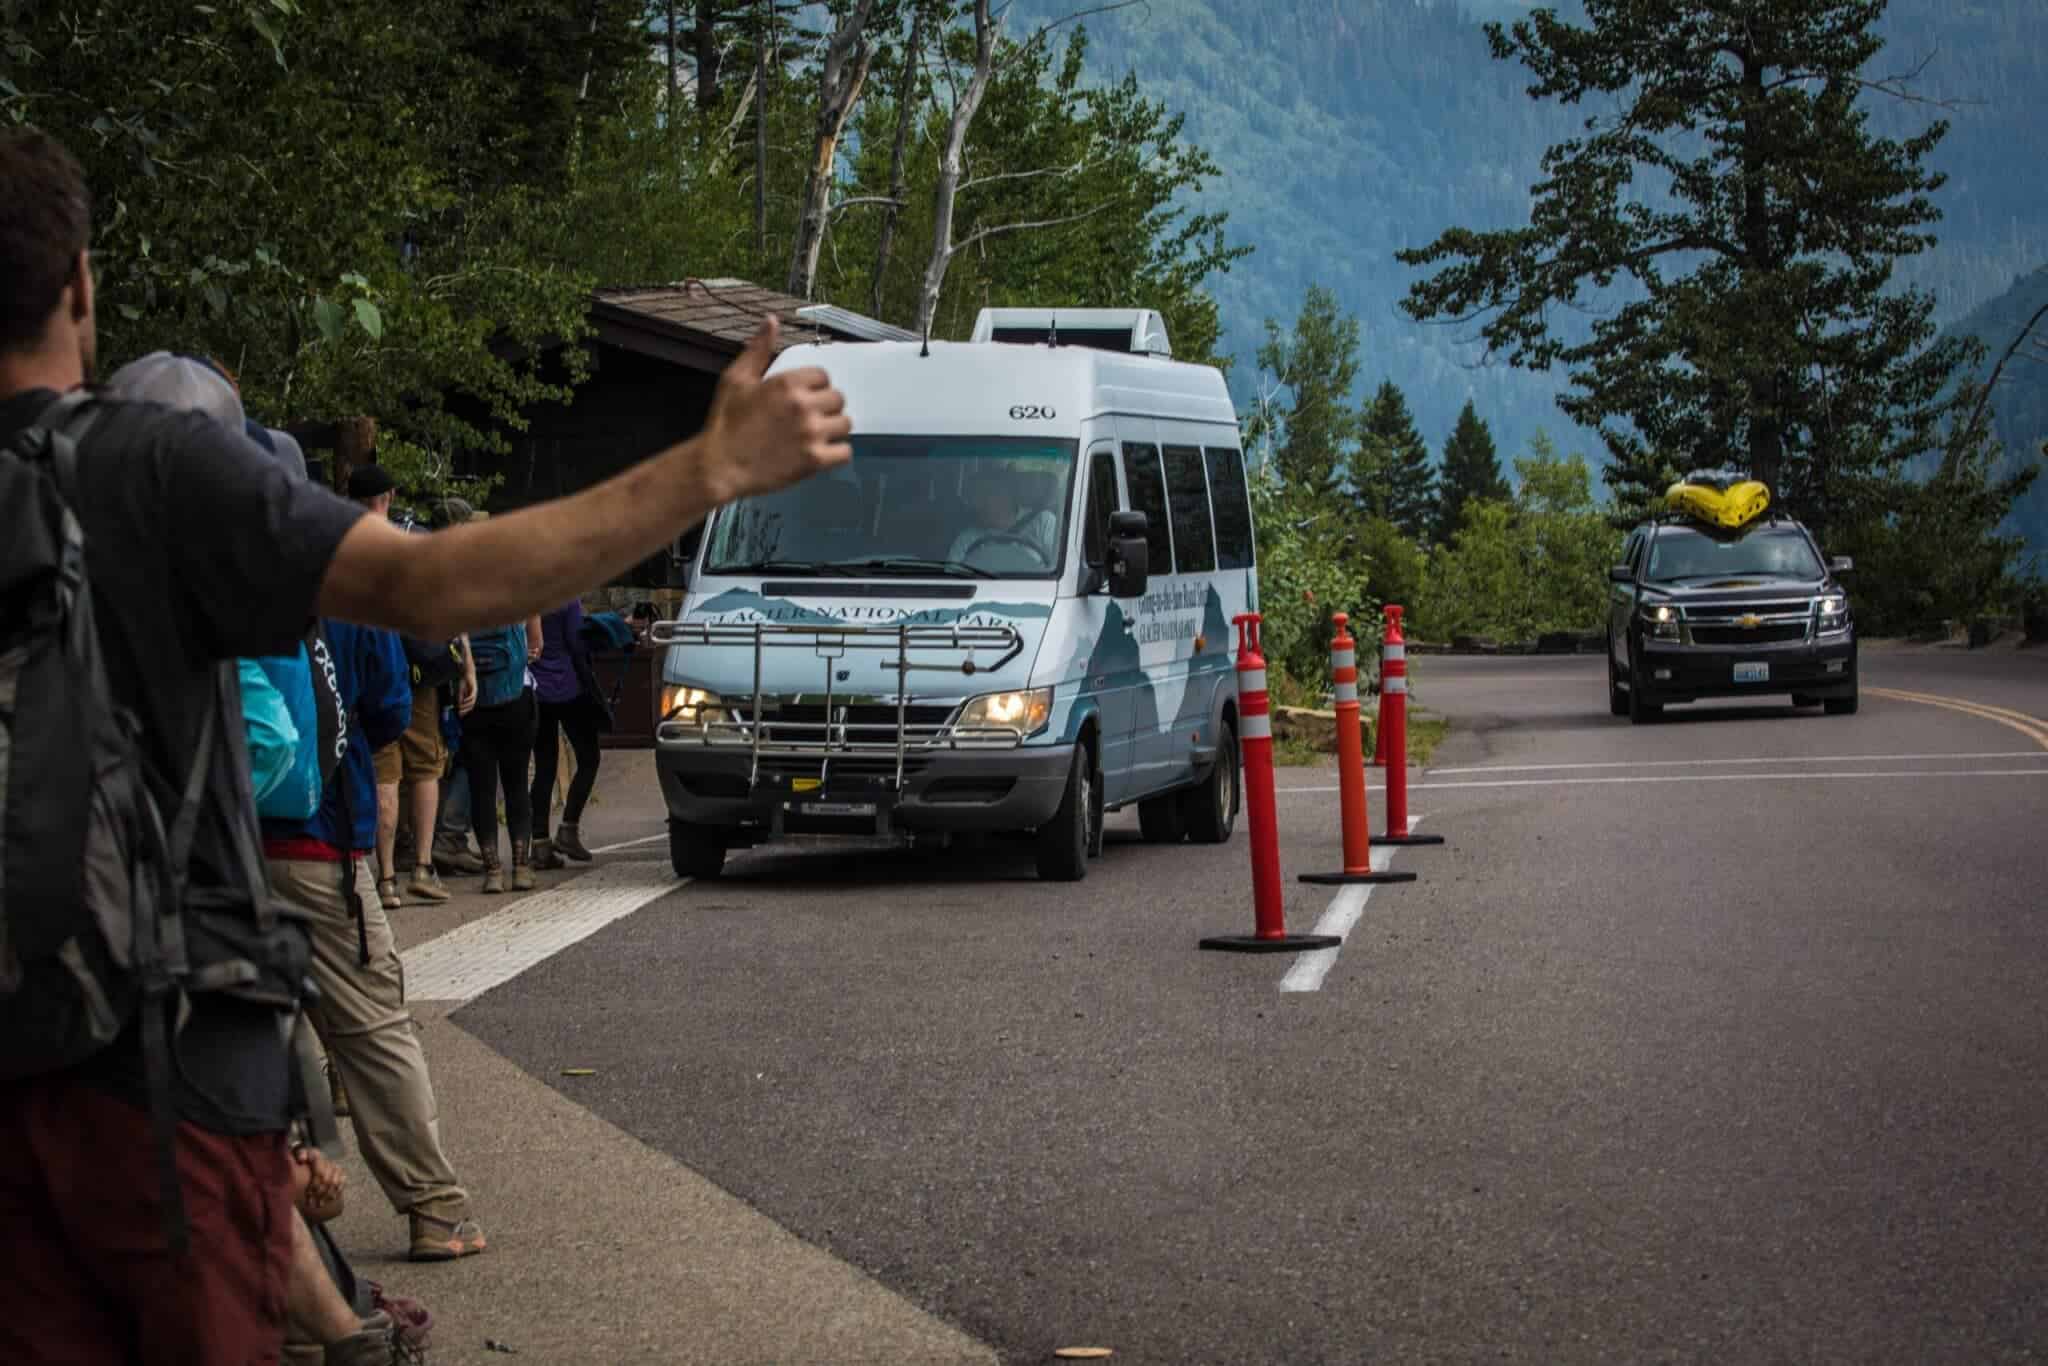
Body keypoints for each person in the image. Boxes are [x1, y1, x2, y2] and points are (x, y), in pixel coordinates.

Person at [0, 126, 850, 1363]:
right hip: (161, 1075)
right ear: (81, 282)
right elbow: (434, 586)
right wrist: (707, 467)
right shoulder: (150, 467)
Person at [346, 465, 417, 910]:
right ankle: (387, 875)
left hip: (323, 700)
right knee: (386, 781)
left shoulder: (325, 544)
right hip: (373, 700)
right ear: (386, 498)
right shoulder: (393, 550)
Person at [462, 613, 543, 892]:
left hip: (472, 700)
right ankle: (521, 868)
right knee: (517, 784)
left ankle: (493, 871)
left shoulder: (465, 594)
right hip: (516, 697)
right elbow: (536, 645)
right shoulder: (521, 591)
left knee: (482, 789)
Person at [530, 596, 606, 866]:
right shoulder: (566, 597)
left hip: (537, 690)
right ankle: (568, 828)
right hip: (568, 687)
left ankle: (539, 842)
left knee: (544, 765)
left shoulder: (528, 595)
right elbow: (576, 643)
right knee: (589, 757)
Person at [947, 465, 1058, 566]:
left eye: (987, 494)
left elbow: (1057, 566)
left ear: (1007, 493)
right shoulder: (966, 539)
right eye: (976, 498)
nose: (980, 504)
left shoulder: (1043, 521)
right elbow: (953, 579)